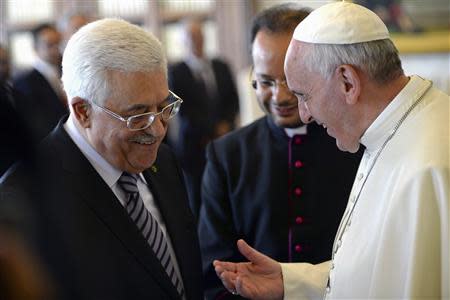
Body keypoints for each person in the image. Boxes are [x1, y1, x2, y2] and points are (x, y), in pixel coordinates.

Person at [213, 2, 449, 299]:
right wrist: (292, 281)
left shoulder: (429, 166)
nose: (304, 113)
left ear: (348, 82)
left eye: (304, 95)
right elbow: (375, 271)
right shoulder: (390, 132)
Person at [0, 18, 203, 300]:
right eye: (138, 115)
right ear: (82, 110)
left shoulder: (164, 162)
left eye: (163, 106)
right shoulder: (24, 198)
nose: (157, 130)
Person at [198, 4, 362, 299]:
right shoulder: (226, 156)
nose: (280, 96)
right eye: (265, 81)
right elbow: (214, 267)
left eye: (290, 79)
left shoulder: (355, 145)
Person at [168, 18, 240, 218]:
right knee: (199, 200)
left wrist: (226, 124)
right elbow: (182, 111)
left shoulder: (221, 65)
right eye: (190, 37)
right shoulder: (176, 72)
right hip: (195, 148)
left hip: (225, 141)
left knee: (227, 195)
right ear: (183, 41)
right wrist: (212, 129)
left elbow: (233, 100)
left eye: (199, 36)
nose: (196, 40)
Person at [13, 23, 67, 143]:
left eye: (58, 43)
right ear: (35, 48)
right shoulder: (24, 82)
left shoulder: (68, 71)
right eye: (49, 45)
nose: (56, 49)